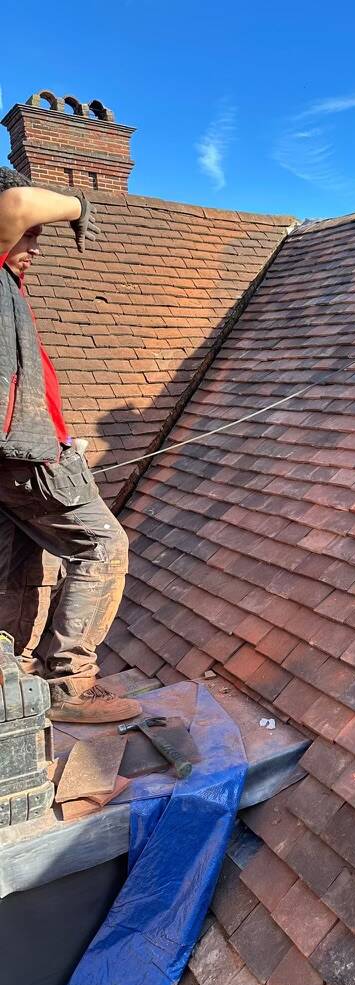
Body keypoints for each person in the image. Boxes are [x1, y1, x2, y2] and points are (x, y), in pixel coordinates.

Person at [0, 167, 140, 723]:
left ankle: (13, 678)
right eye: (30, 236)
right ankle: (70, 684)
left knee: (20, 564)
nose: (34, 248)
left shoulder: (8, 290)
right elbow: (16, 203)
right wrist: (81, 205)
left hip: (15, 458)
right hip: (29, 459)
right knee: (103, 547)